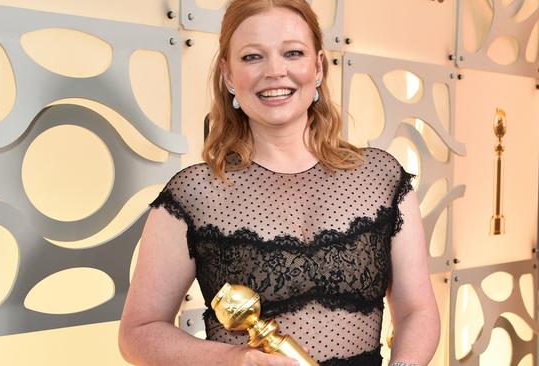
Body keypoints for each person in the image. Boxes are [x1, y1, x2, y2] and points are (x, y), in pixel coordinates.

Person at [118, 0, 439, 365]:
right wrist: (238, 361)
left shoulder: (381, 178)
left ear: (317, 66)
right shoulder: (194, 195)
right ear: (227, 75)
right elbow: (138, 333)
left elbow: (418, 311)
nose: (275, 71)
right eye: (253, 57)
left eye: (293, 53)